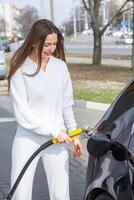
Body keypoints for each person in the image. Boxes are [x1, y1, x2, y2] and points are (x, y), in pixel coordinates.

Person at [8, 19, 83, 200]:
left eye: (54, 44)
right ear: (34, 42)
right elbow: (23, 113)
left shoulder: (60, 67)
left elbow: (66, 105)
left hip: (57, 140)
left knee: (61, 193)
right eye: (46, 44)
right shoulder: (20, 69)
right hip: (27, 139)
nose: (51, 48)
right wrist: (54, 130)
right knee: (21, 193)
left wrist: (74, 135)